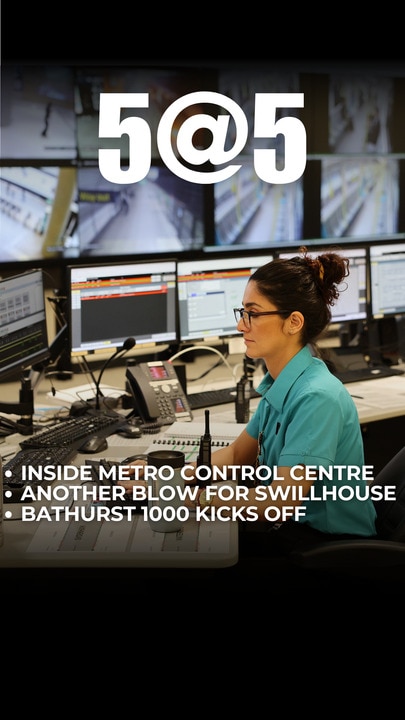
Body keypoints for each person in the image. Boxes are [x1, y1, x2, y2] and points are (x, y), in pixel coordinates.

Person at [120, 247, 377, 559]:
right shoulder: (284, 381)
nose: (242, 325)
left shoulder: (316, 397)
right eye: (242, 313)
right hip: (294, 534)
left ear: (293, 322)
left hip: (327, 551)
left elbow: (279, 502)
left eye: (252, 314)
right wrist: (169, 476)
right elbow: (237, 454)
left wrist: (190, 498)